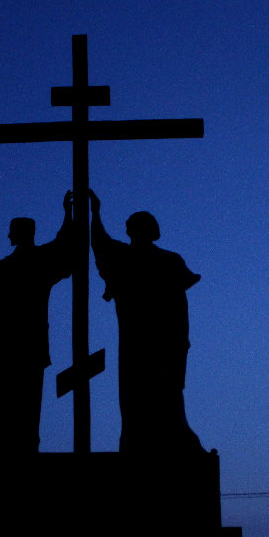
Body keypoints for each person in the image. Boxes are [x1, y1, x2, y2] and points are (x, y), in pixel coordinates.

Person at [89, 191, 204, 455]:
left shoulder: (168, 261)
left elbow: (179, 308)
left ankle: (170, 441)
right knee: (137, 398)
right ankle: (140, 443)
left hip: (162, 343)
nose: (130, 231)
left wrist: (180, 341)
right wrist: (95, 213)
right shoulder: (127, 257)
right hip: (137, 342)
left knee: (164, 395)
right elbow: (101, 243)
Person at [0, 191, 74, 454]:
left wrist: (68, 214)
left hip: (13, 350)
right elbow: (63, 246)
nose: (8, 236)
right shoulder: (20, 265)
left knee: (20, 409)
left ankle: (19, 448)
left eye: (12, 231)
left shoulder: (9, 267)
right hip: (21, 350)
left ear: (20, 234)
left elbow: (63, 245)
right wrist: (67, 215)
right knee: (23, 410)